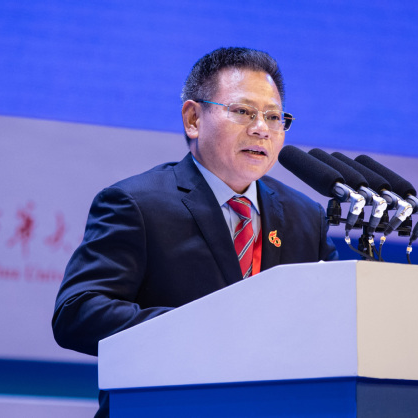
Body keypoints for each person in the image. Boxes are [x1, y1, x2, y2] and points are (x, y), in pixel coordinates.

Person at [51, 47, 338, 417]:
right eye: (243, 112)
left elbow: (332, 322)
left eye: (273, 116)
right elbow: (77, 313)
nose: (261, 129)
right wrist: (203, 330)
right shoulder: (136, 203)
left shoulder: (306, 217)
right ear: (193, 119)